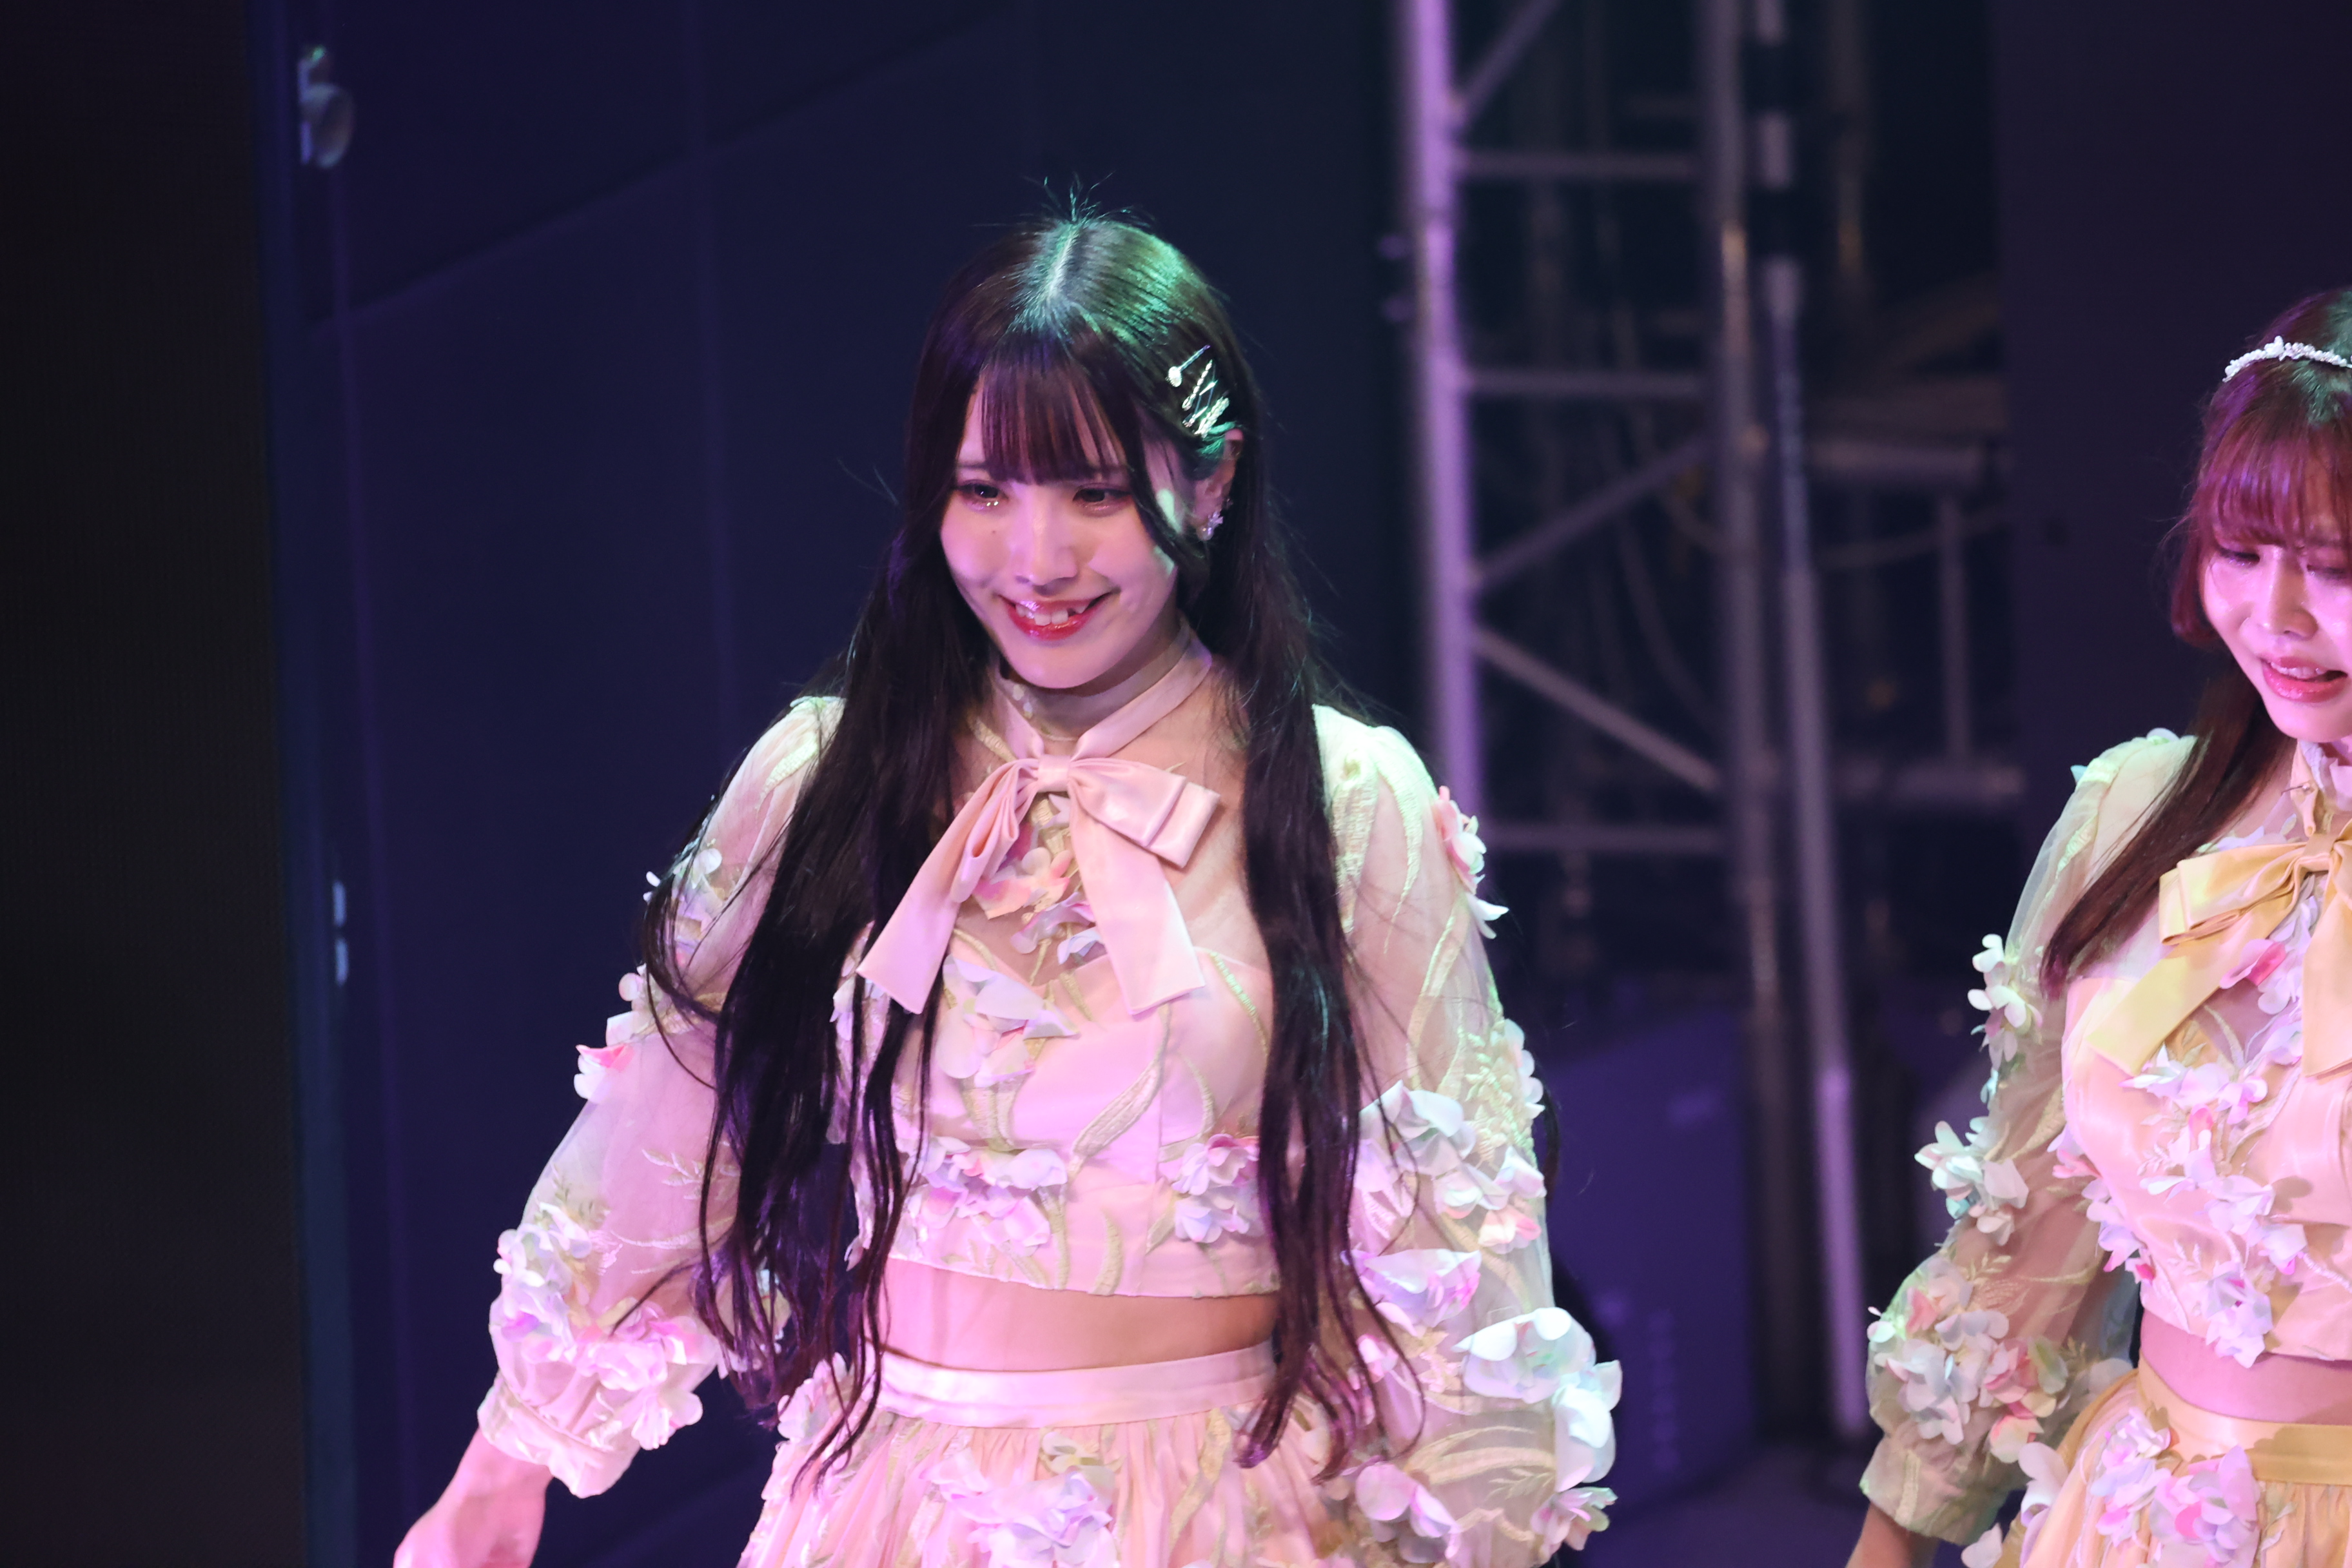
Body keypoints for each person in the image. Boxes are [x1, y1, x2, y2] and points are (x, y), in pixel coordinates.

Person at [394, 214, 1620, 1568]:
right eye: (985, 491)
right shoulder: (824, 779)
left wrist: (1483, 1529)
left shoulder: (1343, 801)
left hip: (1223, 1507)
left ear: (1211, 481)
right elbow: (660, 1139)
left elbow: (1458, 1240)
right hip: (892, 1506)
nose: (1037, 558)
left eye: (1094, 492)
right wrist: (501, 1472)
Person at [1848, 286, 2352, 1568]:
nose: (2278, 616)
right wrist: (1896, 1533)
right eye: (2242, 553)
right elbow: (2031, 1234)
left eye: (2337, 566)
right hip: (2141, 1520)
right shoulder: (2140, 811)